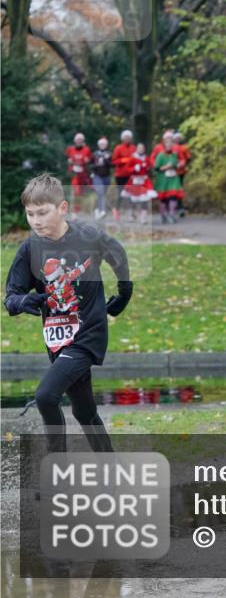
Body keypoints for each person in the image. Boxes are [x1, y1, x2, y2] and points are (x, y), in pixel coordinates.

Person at [4, 174, 132, 453]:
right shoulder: (29, 249)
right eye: (30, 214)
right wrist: (22, 301)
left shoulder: (87, 236)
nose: (36, 220)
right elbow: (10, 297)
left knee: (46, 396)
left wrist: (124, 292)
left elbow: (117, 253)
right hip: (57, 339)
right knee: (84, 411)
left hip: (88, 334)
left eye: (42, 212)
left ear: (62, 208)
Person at [120, 143, 158, 222]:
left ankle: (143, 217)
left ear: (144, 149)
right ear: (137, 149)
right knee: (132, 199)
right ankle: (131, 214)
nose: (141, 149)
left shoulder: (146, 158)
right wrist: (133, 168)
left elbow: (149, 167)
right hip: (134, 181)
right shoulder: (132, 158)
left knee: (145, 199)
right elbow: (126, 169)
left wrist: (149, 170)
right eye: (139, 148)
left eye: (142, 148)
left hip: (144, 181)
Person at [153, 133, 184, 223]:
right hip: (163, 179)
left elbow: (179, 162)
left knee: (173, 196)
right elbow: (156, 168)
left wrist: (179, 165)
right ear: (164, 145)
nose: (169, 146)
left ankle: (172, 214)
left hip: (173, 178)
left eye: (171, 144)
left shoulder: (174, 155)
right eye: (167, 144)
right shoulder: (160, 155)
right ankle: (163, 214)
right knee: (163, 198)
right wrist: (166, 167)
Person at [65, 133, 92, 217]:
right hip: (75, 174)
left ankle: (79, 210)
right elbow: (67, 159)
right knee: (75, 192)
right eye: (78, 139)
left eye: (81, 139)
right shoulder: (70, 149)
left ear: (83, 141)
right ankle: (73, 212)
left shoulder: (86, 149)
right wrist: (70, 163)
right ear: (75, 141)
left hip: (84, 175)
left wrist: (86, 162)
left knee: (82, 194)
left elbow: (88, 161)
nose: (79, 141)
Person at [91, 137, 113, 220]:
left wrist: (106, 160)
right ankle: (103, 211)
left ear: (106, 145)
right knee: (101, 192)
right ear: (99, 145)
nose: (103, 145)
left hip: (106, 177)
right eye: (101, 144)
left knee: (101, 194)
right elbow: (90, 165)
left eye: (104, 144)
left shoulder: (109, 154)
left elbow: (112, 165)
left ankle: (97, 210)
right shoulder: (95, 154)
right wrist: (97, 164)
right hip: (97, 176)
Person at [174, 132, 191, 217]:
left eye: (178, 138)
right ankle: (174, 207)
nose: (177, 139)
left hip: (181, 172)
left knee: (179, 188)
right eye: (176, 138)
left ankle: (180, 207)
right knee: (172, 189)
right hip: (172, 172)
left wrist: (183, 164)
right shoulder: (171, 147)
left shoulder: (184, 147)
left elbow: (188, 158)